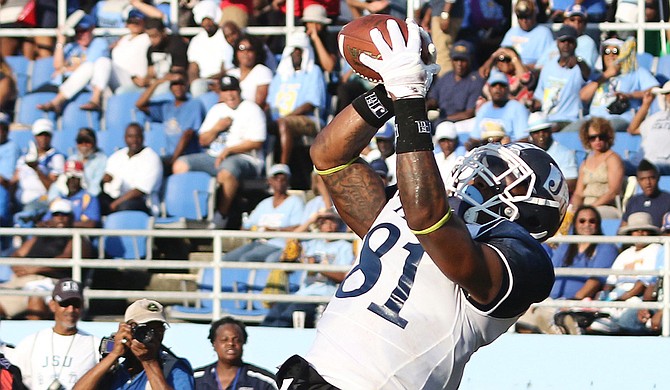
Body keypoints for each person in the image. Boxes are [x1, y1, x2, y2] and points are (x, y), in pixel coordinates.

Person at [276, 19, 568, 388]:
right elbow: (330, 157)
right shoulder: (413, 205)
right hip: (312, 375)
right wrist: (389, 90)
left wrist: (411, 96)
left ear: (529, 207)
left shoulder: (525, 261)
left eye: (504, 174)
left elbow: (427, 218)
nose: (482, 172)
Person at [172, 76, 266, 226]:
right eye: (225, 90)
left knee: (227, 171)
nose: (229, 95)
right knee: (180, 165)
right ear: (220, 93)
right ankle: (188, 213)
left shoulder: (251, 109)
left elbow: (257, 142)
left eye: (233, 90)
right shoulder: (217, 110)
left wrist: (229, 150)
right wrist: (218, 127)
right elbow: (203, 140)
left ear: (239, 91)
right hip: (213, 156)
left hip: (245, 158)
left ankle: (221, 216)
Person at [515, 206, 618, 334]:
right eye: (582, 221)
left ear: (598, 224)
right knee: (523, 321)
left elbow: (596, 280)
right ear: (575, 224)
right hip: (551, 301)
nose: (587, 225)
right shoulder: (565, 245)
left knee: (551, 319)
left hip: (577, 303)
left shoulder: (605, 247)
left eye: (592, 221)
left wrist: (572, 302)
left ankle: (558, 331)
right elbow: (551, 271)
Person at [0, 199, 94, 320]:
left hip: (52, 282)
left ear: (72, 217)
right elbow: (17, 254)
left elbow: (66, 259)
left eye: (65, 214)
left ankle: (36, 338)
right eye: (56, 214)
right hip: (23, 279)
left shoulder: (77, 238)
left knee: (36, 299)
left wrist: (35, 268)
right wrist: (19, 267)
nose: (60, 218)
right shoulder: (40, 235)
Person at [73, 298, 195, 389]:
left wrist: (149, 362)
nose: (152, 336)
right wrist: (113, 355)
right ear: (128, 329)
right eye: (144, 329)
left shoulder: (174, 367)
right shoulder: (117, 368)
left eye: (158, 330)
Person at [262, 210, 355, 328]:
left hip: (323, 295)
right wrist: (311, 220)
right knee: (276, 310)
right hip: (303, 293)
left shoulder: (344, 246)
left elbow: (343, 276)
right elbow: (292, 240)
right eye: (324, 221)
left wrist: (317, 267)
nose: (328, 225)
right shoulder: (313, 243)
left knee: (288, 314)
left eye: (332, 221)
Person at [7, 279, 100, 389]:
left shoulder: (95, 344)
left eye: (76, 304)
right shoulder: (31, 342)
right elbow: (14, 380)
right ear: (52, 305)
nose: (71, 310)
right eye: (64, 304)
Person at [267, 31, 327, 165]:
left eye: (299, 53)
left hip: (308, 119)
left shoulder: (314, 72)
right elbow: (271, 103)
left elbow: (311, 103)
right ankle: (265, 170)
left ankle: (283, 168)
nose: (296, 56)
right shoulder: (281, 75)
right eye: (293, 53)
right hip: (280, 119)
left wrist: (288, 117)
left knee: (283, 123)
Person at [223, 164, 304, 263]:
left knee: (247, 258)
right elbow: (246, 226)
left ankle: (247, 279)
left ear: (288, 181)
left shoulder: (295, 202)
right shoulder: (264, 203)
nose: (279, 181)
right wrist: (254, 230)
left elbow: (298, 227)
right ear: (269, 181)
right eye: (276, 178)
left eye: (283, 179)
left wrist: (274, 231)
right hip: (258, 242)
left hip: (279, 244)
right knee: (227, 258)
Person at [577, 37, 659, 132]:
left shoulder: (636, 72)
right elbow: (583, 97)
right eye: (607, 52)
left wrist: (629, 95)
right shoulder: (597, 75)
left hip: (620, 118)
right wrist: (606, 75)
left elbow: (654, 90)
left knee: (600, 130)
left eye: (615, 52)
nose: (611, 55)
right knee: (572, 130)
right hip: (592, 119)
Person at [36, 15, 110, 114]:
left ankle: (56, 102)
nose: (80, 35)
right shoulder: (71, 46)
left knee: (90, 66)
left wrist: (64, 69)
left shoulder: (98, 43)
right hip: (59, 84)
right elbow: (57, 66)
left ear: (92, 29)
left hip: (82, 85)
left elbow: (89, 65)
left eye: (84, 31)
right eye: (77, 31)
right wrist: (60, 41)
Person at [135, 71, 206, 169]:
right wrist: (158, 82)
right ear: (170, 87)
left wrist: (173, 160)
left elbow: (187, 134)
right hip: (170, 156)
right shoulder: (166, 106)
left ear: (186, 85)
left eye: (181, 83)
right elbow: (139, 105)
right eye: (174, 84)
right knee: (147, 166)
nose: (178, 87)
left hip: (188, 156)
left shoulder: (194, 104)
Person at [529, 25, 590, 128]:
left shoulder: (580, 67)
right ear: (557, 43)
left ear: (575, 44)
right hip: (547, 119)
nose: (566, 45)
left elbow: (587, 74)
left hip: (570, 121)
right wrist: (532, 103)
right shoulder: (548, 66)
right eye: (563, 41)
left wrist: (578, 61)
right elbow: (539, 96)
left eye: (570, 41)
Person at [194, 317, 277, 389]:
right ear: (214, 343)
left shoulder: (264, 381)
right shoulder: (195, 378)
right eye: (224, 340)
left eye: (236, 340)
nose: (231, 343)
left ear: (243, 342)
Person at [11, 119, 65, 228]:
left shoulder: (56, 158)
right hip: (20, 200)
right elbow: (14, 180)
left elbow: (52, 187)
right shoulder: (24, 157)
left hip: (41, 200)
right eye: (40, 135)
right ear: (35, 137)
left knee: (27, 213)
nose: (43, 139)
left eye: (47, 135)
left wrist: (36, 169)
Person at [100, 123, 163, 215]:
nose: (134, 140)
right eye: (130, 136)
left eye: (137, 136)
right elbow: (108, 176)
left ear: (143, 137)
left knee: (125, 207)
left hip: (142, 203)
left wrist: (114, 204)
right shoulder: (117, 156)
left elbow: (139, 191)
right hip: (116, 197)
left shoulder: (152, 158)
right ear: (125, 138)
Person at [571, 117, 625, 218]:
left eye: (601, 136)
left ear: (608, 137)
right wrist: (576, 208)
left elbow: (613, 192)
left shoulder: (613, 159)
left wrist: (590, 208)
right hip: (585, 207)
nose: (597, 140)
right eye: (593, 137)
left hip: (605, 206)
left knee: (587, 217)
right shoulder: (585, 162)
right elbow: (578, 193)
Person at [426, 40, 484, 129]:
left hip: (462, 124)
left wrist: (445, 119)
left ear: (470, 60)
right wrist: (426, 105)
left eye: (463, 60)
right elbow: (434, 99)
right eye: (456, 60)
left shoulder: (475, 80)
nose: (459, 64)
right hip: (441, 122)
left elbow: (469, 113)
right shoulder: (446, 77)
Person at [467, 72, 529, 149]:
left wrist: (507, 145)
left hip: (509, 152)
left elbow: (523, 140)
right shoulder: (485, 108)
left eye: (502, 86)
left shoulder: (517, 107)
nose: (498, 88)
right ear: (489, 88)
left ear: (508, 88)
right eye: (494, 85)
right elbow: (474, 138)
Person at [188, 0, 234, 97]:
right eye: (204, 20)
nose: (207, 23)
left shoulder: (224, 36)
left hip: (222, 80)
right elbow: (193, 68)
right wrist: (196, 81)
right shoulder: (196, 40)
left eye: (209, 19)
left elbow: (225, 68)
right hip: (202, 82)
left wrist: (210, 80)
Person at [526, 113, 579, 194]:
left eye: (544, 131)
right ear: (531, 135)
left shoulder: (565, 153)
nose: (541, 136)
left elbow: (571, 182)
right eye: (536, 132)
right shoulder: (527, 154)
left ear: (550, 131)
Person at [535, 4, 599, 70]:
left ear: (585, 25)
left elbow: (584, 71)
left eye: (580, 21)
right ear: (565, 21)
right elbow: (539, 65)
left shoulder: (587, 42)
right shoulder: (557, 42)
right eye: (572, 20)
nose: (576, 24)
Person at [627, 83, 670, 174]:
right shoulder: (656, 117)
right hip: (641, 163)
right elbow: (632, 129)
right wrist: (646, 104)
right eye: (667, 94)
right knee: (615, 166)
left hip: (663, 165)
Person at [43, 160, 101, 228]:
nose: (72, 182)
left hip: (80, 236)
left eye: (76, 178)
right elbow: (46, 221)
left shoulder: (89, 198)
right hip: (58, 236)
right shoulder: (58, 199)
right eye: (69, 178)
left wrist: (65, 224)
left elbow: (92, 223)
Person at [500, 0, 555, 67]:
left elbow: (547, 63)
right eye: (520, 17)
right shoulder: (512, 31)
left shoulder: (544, 33)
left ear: (534, 14)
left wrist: (521, 67)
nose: (524, 21)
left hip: (530, 72)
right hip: (509, 68)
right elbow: (501, 54)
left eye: (527, 17)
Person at [226, 34, 273, 109]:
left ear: (256, 52)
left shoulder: (262, 71)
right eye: (241, 48)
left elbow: (259, 103)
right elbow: (223, 99)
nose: (245, 53)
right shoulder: (231, 73)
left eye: (250, 49)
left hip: (251, 113)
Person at [620, 160, 670, 228]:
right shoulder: (633, 201)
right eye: (643, 179)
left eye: (652, 178)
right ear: (638, 180)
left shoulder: (667, 200)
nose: (648, 183)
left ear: (658, 178)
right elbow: (623, 227)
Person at [67, 128, 107, 197]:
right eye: (80, 142)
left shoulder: (101, 160)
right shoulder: (72, 159)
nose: (84, 145)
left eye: (87, 142)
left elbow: (95, 187)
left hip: (93, 198)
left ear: (94, 143)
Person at [432, 121, 465, 186]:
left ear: (456, 140)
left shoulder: (464, 158)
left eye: (450, 141)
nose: (447, 145)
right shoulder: (434, 158)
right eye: (443, 141)